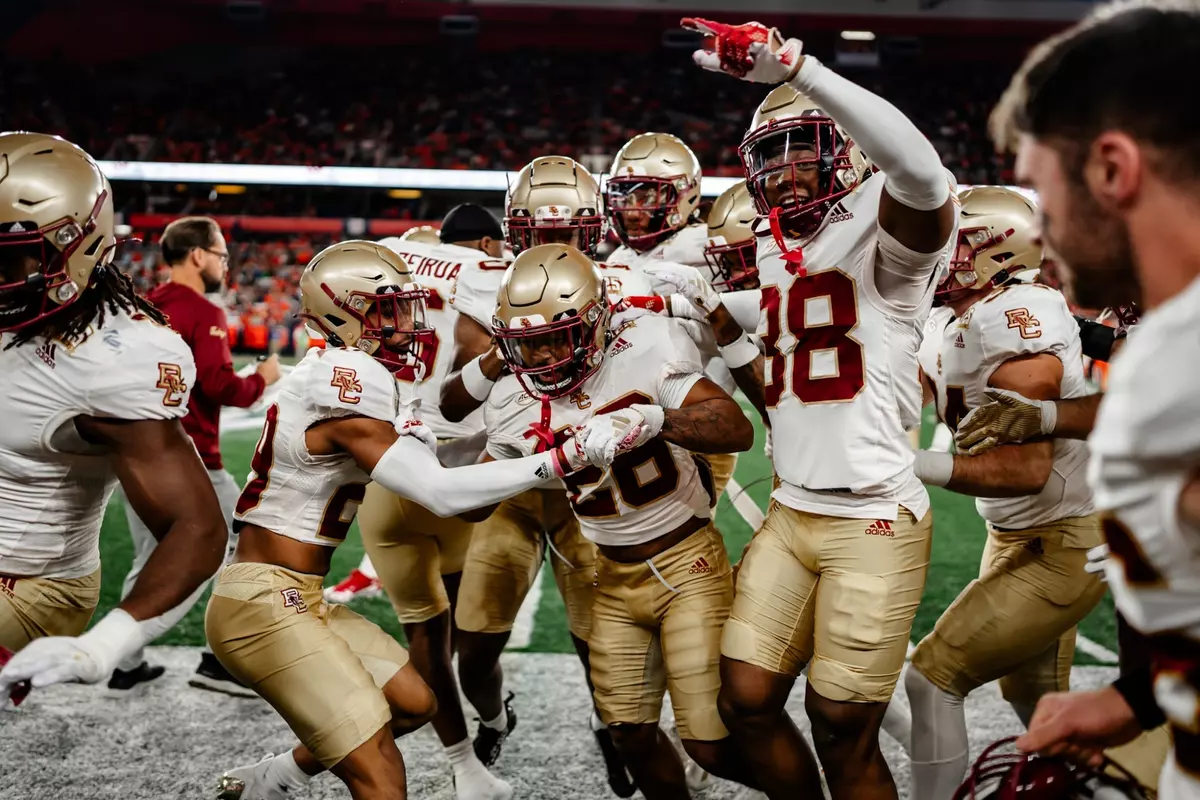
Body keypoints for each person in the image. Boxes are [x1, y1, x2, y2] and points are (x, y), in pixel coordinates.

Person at [210, 240, 617, 800]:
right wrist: (556, 460)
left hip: (300, 593)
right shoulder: (344, 376)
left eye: (404, 307)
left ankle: (271, 779)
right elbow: (441, 494)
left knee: (414, 702)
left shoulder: (343, 372)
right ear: (339, 314)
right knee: (381, 775)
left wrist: (499, 442)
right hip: (261, 603)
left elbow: (432, 465)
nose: (405, 325)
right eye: (386, 310)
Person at [685, 18, 958, 798]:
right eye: (768, 154)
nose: (784, 170)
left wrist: (799, 69)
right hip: (791, 508)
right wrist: (705, 304)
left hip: (871, 516)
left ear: (846, 150)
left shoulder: (889, 228)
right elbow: (794, 307)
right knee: (743, 700)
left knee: (841, 724)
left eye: (801, 147)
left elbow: (924, 174)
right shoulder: (779, 245)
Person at [984, 3, 1200, 796]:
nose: (1039, 232)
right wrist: (1132, 699)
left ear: (1113, 170)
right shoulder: (1164, 348)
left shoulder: (1176, 372)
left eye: (1041, 192)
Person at [482, 243, 758, 798]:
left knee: (709, 741)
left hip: (686, 564)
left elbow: (735, 428)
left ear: (596, 322)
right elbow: (470, 503)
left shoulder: (645, 343)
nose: (540, 359)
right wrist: (425, 463)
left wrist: (655, 419)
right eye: (525, 344)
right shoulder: (512, 399)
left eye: (554, 338)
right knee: (627, 734)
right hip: (609, 577)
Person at [0, 132, 227, 702]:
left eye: (8, 254)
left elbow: (197, 528)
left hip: (28, 581)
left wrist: (105, 645)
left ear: (78, 245)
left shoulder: (112, 357)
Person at [905, 187, 1106, 797]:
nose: (934, 252)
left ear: (992, 251)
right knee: (1033, 694)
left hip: (1065, 540)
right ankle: (1106, 786)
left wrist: (912, 464)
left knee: (932, 677)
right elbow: (908, 388)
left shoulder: (1017, 318)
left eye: (951, 241)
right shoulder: (952, 313)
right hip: (1017, 533)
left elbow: (1026, 471)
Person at [108, 216, 282, 694]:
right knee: (243, 545)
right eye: (222, 255)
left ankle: (126, 662)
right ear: (199, 255)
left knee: (150, 559)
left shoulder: (138, 304)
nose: (226, 266)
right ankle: (218, 661)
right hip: (191, 460)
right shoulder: (203, 311)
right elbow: (223, 387)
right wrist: (264, 377)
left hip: (135, 454)